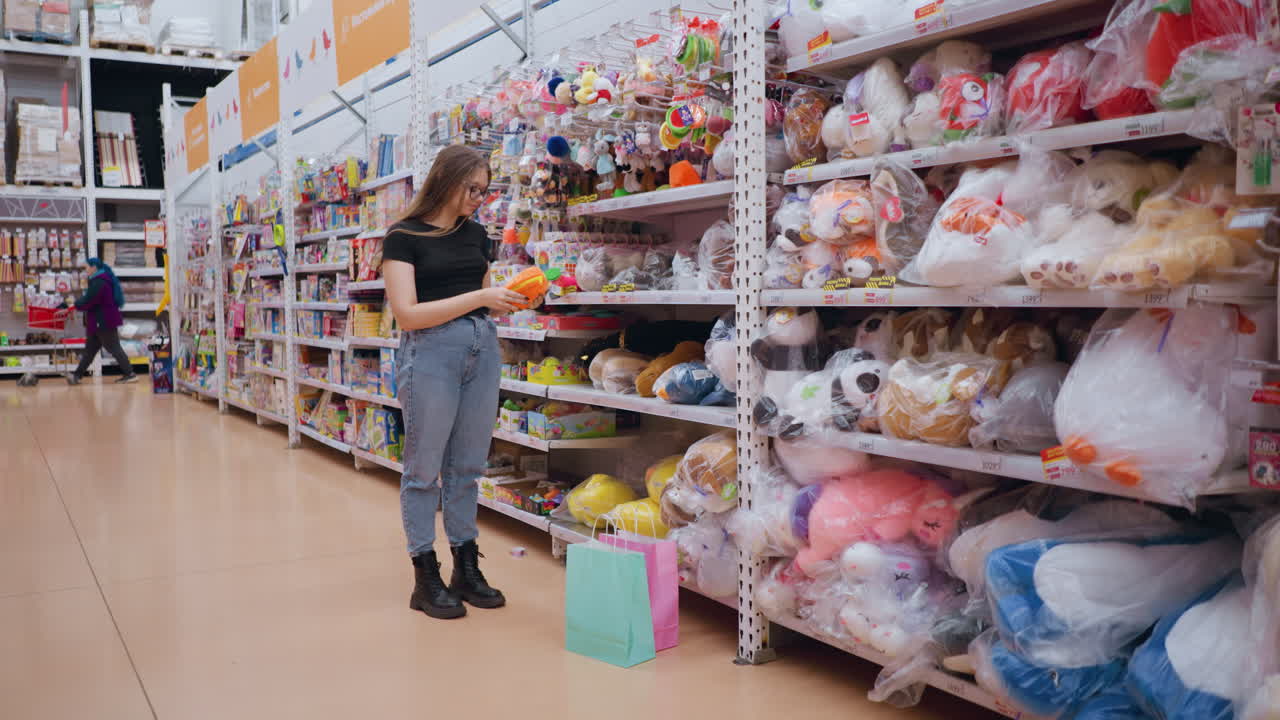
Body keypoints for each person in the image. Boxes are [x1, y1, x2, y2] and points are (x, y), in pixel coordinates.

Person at [382, 145, 527, 620]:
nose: (478, 199)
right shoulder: (403, 237)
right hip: (430, 354)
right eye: (472, 189)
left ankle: (466, 566)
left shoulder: (478, 234)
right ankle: (425, 576)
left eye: (485, 192)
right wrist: (481, 295)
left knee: (468, 466)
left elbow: (484, 298)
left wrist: (510, 298)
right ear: (446, 180)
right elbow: (407, 313)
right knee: (424, 470)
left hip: (482, 348)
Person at [66, 257, 137, 385]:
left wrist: (73, 306)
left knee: (114, 348)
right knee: (90, 351)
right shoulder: (99, 280)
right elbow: (89, 300)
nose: (85, 270)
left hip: (103, 321)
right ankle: (76, 376)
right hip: (98, 321)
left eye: (87, 267)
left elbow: (89, 300)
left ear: (94, 267)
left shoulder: (99, 282)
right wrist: (73, 307)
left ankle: (130, 374)